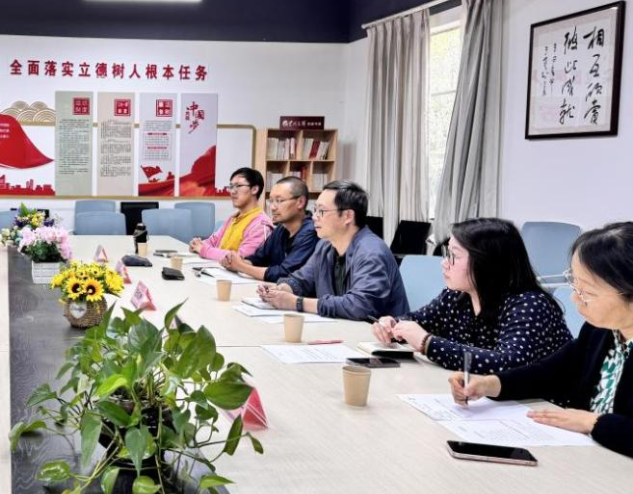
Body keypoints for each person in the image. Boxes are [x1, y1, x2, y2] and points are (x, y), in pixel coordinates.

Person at [451, 223, 633, 458]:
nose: (574, 298)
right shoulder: (600, 331)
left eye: (586, 292)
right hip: (588, 455)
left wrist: (593, 422)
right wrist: (490, 384)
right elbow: (551, 372)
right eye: (574, 284)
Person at [374, 218, 571, 374]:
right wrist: (393, 325)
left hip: (542, 405)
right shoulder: (456, 295)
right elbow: (419, 321)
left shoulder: (530, 304)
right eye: (447, 253)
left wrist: (427, 343)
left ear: (487, 263)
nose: (444, 263)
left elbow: (509, 363)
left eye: (455, 256)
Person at [259, 180, 409, 320]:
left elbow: (360, 306)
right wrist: (282, 289)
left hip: (376, 336)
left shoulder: (371, 251)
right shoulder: (325, 246)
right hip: (342, 328)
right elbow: (302, 280)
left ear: (348, 216)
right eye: (315, 210)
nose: (314, 217)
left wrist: (297, 302)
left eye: (321, 211)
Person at [221, 176, 317, 282]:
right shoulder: (281, 229)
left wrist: (241, 266)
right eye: (271, 201)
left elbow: (285, 273)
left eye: (279, 201)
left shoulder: (312, 232)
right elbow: (258, 258)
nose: (273, 207)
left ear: (300, 202)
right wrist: (234, 262)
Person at [189, 167, 272, 261]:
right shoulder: (233, 217)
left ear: (254, 189)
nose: (232, 191)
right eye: (231, 186)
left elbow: (240, 259)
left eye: (238, 186)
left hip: (232, 270)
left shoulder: (261, 225)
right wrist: (198, 244)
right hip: (216, 267)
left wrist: (203, 249)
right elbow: (213, 240)